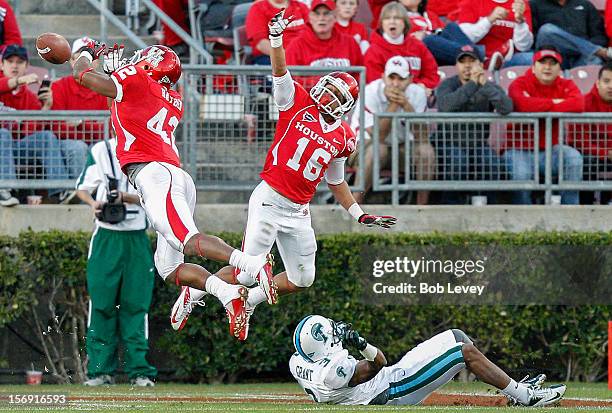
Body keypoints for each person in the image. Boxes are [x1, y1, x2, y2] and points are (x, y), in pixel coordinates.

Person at [169, 10, 396, 341]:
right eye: (326, 89)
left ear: (345, 105)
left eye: (334, 95)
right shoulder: (297, 102)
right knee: (246, 272)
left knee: (302, 279)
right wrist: (276, 39)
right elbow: (280, 71)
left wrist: (360, 214)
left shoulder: (345, 137)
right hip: (270, 198)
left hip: (299, 211)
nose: (326, 95)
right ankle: (197, 292)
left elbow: (336, 181)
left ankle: (249, 304)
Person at [70, 41, 271, 339]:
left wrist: (85, 54)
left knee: (188, 241)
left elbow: (83, 77)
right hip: (171, 174)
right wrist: (116, 70)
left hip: (154, 173)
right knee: (168, 269)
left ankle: (251, 264)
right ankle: (227, 293)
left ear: (149, 64)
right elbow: (131, 102)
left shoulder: (137, 79)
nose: (136, 62)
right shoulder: (171, 96)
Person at [290, 314, 567, 407]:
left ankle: (512, 389)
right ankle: (526, 397)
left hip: (389, 379)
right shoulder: (334, 372)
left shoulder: (299, 361)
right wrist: (361, 343)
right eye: (331, 334)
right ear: (322, 346)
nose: (336, 333)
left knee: (457, 335)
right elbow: (379, 363)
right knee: (464, 353)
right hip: (392, 392)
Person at [76, 137, 157, 387]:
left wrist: (126, 197)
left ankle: (139, 371)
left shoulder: (152, 147)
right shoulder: (101, 149)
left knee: (136, 305)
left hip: (136, 236)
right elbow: (81, 187)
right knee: (101, 304)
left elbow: (158, 195)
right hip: (106, 237)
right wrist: (94, 203)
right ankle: (99, 371)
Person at [505, 45, 584, 204]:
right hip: (519, 149)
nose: (547, 67)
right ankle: (521, 219)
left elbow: (579, 104)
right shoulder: (519, 83)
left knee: (573, 158)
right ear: (533, 67)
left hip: (552, 149)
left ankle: (569, 213)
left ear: (559, 69)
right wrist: (556, 103)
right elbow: (524, 106)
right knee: (521, 175)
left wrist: (539, 104)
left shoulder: (566, 84)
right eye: (543, 62)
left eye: (552, 63)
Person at [350, 55, 434, 204]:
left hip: (400, 147)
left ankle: (423, 209)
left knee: (426, 151)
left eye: (401, 79)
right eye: (391, 78)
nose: (395, 84)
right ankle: (354, 207)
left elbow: (422, 137)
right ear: (383, 77)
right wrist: (394, 105)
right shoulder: (370, 92)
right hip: (362, 146)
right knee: (379, 149)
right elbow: (377, 137)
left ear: (410, 79)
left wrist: (407, 106)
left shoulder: (417, 93)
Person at [435, 45, 511, 204]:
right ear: (456, 65)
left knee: (491, 162)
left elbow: (506, 107)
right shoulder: (447, 84)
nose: (467, 65)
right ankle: (450, 206)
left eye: (472, 61)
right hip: (447, 143)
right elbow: (446, 106)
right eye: (463, 61)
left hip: (478, 144)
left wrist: (485, 86)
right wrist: (472, 84)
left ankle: (487, 206)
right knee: (458, 161)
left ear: (481, 65)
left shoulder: (487, 86)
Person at [0, 44, 70, 203]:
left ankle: (60, 191)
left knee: (45, 136)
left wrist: (45, 108)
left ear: (26, 66)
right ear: (1, 64)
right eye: (10, 61)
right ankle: (4, 189)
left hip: (16, 149)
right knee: (2, 134)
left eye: (19, 62)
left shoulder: (30, 98)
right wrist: (18, 81)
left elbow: (30, 133)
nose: (14, 65)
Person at [51, 37, 109, 187]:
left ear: (98, 61)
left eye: (91, 57)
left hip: (97, 142)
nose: (87, 62)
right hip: (69, 143)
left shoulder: (108, 87)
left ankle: (104, 192)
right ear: (72, 61)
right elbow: (57, 129)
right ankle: (82, 191)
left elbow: (109, 130)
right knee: (78, 147)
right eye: (82, 57)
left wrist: (79, 124)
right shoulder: (59, 86)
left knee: (102, 148)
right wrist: (93, 126)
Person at [364, 2, 440, 95]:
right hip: (385, 101)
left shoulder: (418, 46)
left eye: (397, 18)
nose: (392, 21)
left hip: (416, 98)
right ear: (382, 24)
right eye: (387, 18)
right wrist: (413, 88)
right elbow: (376, 85)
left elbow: (432, 74)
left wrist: (423, 85)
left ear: (405, 23)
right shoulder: (374, 51)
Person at [286, 0, 364, 88]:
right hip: (310, 99)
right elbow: (290, 80)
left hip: (345, 98)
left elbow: (359, 76)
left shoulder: (350, 43)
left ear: (335, 17)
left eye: (326, 13)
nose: (321, 18)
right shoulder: (296, 45)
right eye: (317, 13)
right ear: (310, 17)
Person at [570, 62, 612, 204]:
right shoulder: (584, 103)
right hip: (593, 154)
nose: (610, 86)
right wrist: (605, 153)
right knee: (585, 161)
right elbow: (578, 141)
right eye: (606, 81)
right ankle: (586, 206)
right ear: (598, 83)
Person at [532, 0, 611, 69]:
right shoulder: (535, 5)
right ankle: (597, 51)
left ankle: (592, 50)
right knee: (546, 30)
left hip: (581, 56)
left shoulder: (585, 4)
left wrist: (583, 48)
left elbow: (599, 36)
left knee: (595, 60)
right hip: (553, 58)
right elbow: (535, 39)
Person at [403, 0, 484, 66]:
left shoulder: (430, 15)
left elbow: (443, 33)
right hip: (419, 53)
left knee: (451, 27)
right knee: (428, 40)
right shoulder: (397, 16)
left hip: (442, 50)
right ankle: (479, 56)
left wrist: (430, 34)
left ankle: (474, 55)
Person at [457, 0, 534, 69]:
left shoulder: (520, 4)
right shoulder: (471, 2)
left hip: (508, 59)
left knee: (531, 58)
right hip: (478, 59)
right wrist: (489, 20)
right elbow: (464, 38)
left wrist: (520, 22)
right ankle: (488, 62)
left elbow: (523, 47)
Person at [246, 0, 309, 65]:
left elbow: (314, 34)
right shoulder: (258, 8)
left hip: (305, 55)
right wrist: (288, 56)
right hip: (273, 57)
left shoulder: (301, 6)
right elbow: (261, 44)